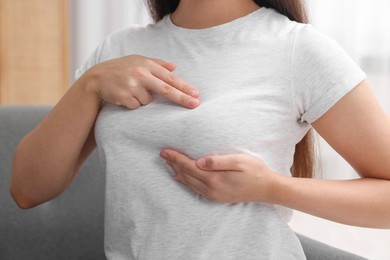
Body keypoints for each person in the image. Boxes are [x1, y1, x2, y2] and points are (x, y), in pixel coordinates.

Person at [10, 0, 390, 259]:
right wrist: (89, 85)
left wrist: (272, 188)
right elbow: (27, 189)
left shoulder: (298, 50)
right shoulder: (117, 50)